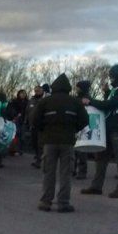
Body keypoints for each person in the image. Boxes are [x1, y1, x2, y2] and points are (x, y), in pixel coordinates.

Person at [32, 73, 89, 213]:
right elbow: (84, 120)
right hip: (68, 141)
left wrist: (44, 130)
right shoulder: (75, 102)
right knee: (66, 173)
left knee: (48, 172)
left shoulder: (45, 102)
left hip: (49, 141)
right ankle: (63, 203)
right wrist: (73, 129)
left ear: (54, 87)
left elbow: (34, 119)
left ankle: (46, 202)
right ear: (68, 88)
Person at [81, 64, 118, 199]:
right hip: (110, 128)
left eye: (111, 76)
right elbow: (110, 103)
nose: (110, 79)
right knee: (101, 158)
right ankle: (96, 186)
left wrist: (91, 102)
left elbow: (110, 105)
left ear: (116, 76)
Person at [73, 80, 92, 180]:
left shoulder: (87, 99)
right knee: (74, 149)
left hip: (84, 126)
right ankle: (73, 169)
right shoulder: (76, 98)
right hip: (76, 125)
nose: (77, 89)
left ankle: (82, 171)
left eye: (78, 87)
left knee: (82, 150)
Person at [27, 84, 46, 168]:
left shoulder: (45, 100)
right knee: (34, 143)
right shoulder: (31, 100)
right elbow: (27, 111)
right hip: (32, 125)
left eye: (38, 90)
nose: (37, 92)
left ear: (42, 91)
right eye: (35, 90)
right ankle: (37, 157)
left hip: (41, 126)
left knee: (40, 144)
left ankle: (40, 160)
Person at [7, 89, 28, 155]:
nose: (23, 95)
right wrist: (15, 115)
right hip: (16, 119)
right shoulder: (14, 101)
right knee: (15, 135)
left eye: (24, 93)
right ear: (19, 94)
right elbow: (9, 109)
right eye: (21, 93)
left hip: (23, 121)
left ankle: (20, 150)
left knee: (22, 136)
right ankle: (13, 150)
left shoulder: (27, 102)